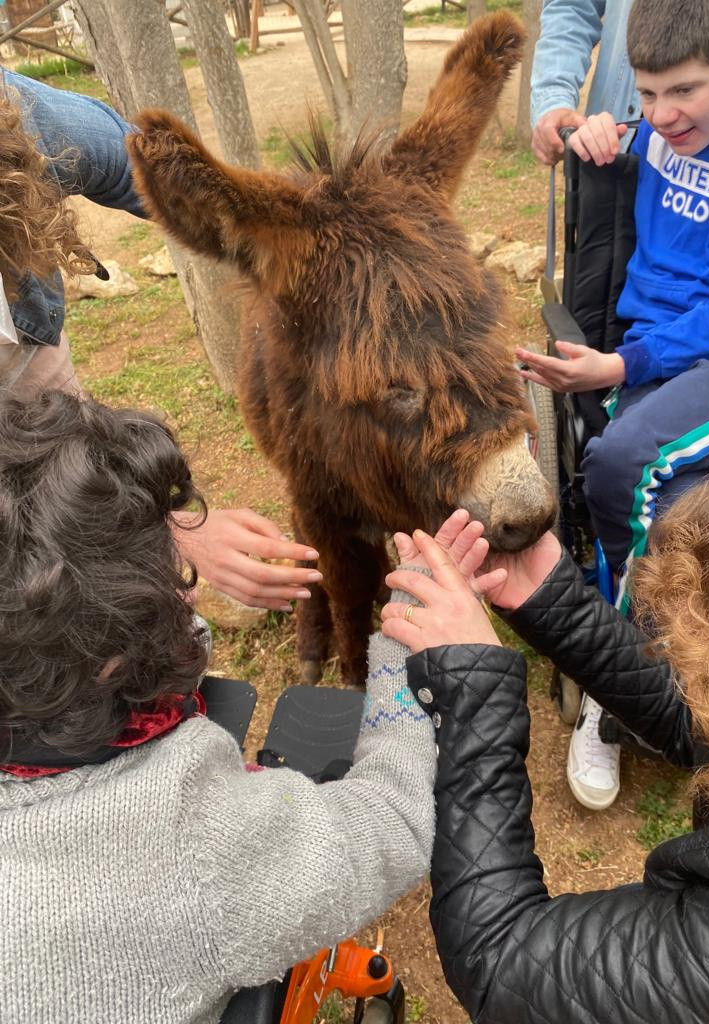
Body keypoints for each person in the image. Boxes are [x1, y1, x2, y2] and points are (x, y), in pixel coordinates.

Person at [0, 389, 507, 1022]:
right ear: (111, 662)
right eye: (169, 576)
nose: (186, 586)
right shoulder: (197, 851)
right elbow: (392, 821)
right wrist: (403, 645)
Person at [382, 458, 709, 1023]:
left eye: (707, 660)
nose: (688, 670)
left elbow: (500, 959)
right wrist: (553, 601)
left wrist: (474, 686)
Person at [518, 0, 709, 810]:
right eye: (648, 94)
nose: (661, 115)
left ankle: (614, 674)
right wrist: (590, 130)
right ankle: (636, 663)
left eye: (683, 92)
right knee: (629, 472)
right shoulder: (658, 132)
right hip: (652, 350)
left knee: (627, 462)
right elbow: (613, 128)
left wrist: (623, 364)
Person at [0, 67, 320, 612]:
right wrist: (170, 534)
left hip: (26, 344)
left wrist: (289, 246)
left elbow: (148, 170)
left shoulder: (25, 121)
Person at [531, 0, 709, 165]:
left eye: (685, 89)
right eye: (646, 93)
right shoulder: (652, 128)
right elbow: (571, 7)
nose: (662, 117)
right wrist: (553, 99)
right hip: (619, 153)